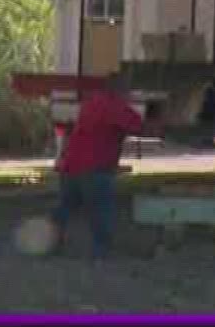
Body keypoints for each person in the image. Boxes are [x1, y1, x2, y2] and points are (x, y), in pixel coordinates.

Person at [52, 76, 151, 257]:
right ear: (121, 91)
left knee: (65, 208)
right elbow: (138, 126)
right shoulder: (114, 106)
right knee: (101, 209)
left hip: (71, 165)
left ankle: (48, 241)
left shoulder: (92, 102)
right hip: (95, 167)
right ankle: (101, 250)